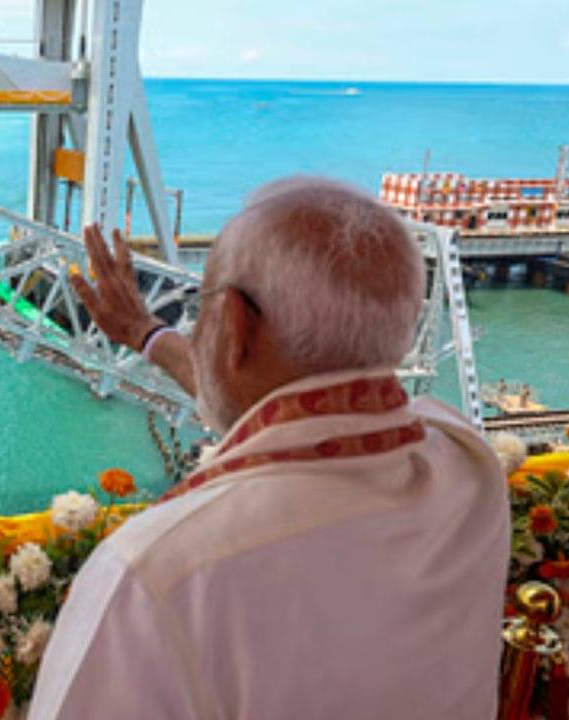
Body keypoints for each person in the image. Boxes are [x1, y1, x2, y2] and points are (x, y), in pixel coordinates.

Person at [30, 178, 509, 718]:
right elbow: (296, 409)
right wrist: (147, 333)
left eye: (200, 304)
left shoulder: (159, 576)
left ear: (234, 326)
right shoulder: (469, 470)